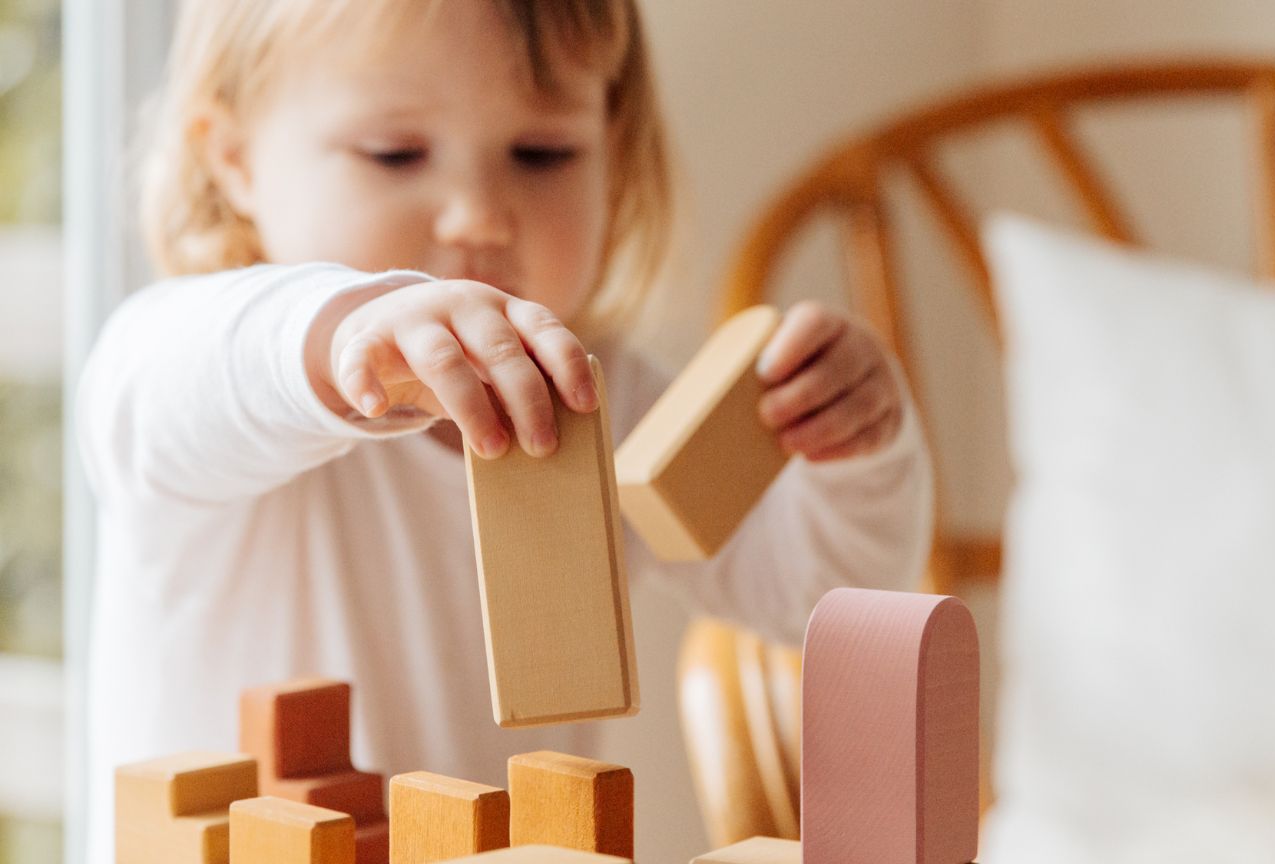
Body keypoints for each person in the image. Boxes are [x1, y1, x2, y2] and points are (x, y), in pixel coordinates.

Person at [78, 1, 932, 860]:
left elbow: (819, 599)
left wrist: (852, 455)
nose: (479, 215)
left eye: (542, 153)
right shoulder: (217, 371)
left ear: (614, 152)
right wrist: (344, 336)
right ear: (233, 160)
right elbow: (159, 388)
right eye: (394, 153)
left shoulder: (606, 397)